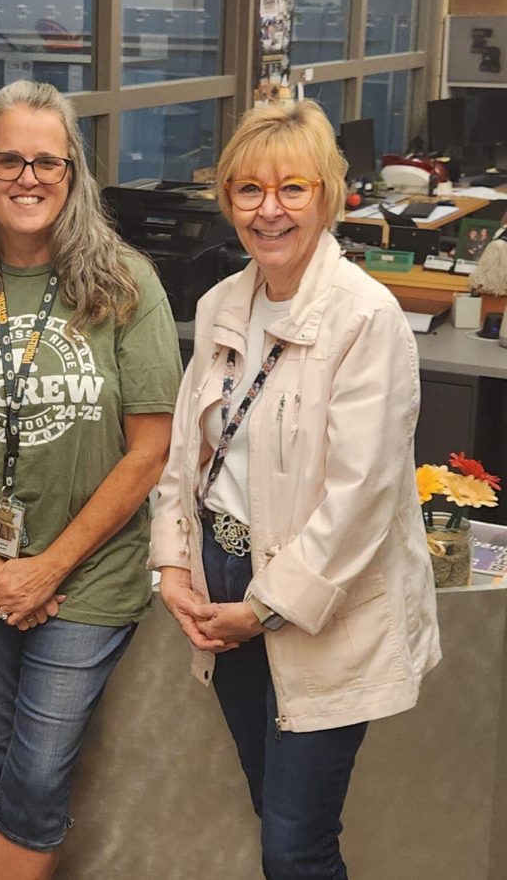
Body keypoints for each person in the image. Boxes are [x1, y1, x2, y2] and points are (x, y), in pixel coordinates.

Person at [150, 99, 442, 880]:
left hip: (314, 602)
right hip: (226, 584)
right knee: (270, 805)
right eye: (248, 190)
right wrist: (175, 565)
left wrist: (264, 607)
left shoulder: (365, 318)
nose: (268, 210)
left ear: (330, 196)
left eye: (292, 189)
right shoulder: (220, 304)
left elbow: (361, 500)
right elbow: (187, 455)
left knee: (294, 842)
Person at [0, 80, 182, 880]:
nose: (29, 178)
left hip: (89, 573)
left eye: (47, 162)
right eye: (9, 160)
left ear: (74, 175)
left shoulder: (125, 284)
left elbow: (149, 450)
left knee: (36, 771)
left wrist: (47, 567)